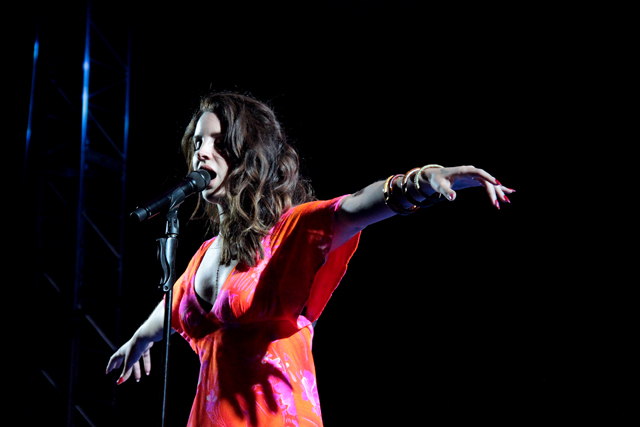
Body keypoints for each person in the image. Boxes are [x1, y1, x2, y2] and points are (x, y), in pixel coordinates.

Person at [106, 92, 515, 426]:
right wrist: (138, 340)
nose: (202, 154)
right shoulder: (202, 257)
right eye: (197, 143)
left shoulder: (288, 233)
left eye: (217, 142)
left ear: (248, 153)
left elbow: (350, 209)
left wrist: (420, 181)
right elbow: (172, 307)